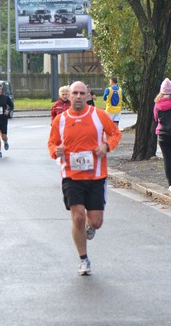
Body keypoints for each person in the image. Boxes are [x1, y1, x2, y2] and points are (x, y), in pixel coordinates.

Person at [47, 81, 122, 276]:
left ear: (88, 95)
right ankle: (83, 259)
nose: (78, 96)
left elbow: (115, 133)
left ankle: (91, 225)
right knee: (78, 216)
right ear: (69, 96)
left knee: (95, 221)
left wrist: (106, 146)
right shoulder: (60, 120)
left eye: (82, 93)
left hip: (96, 176)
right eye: (75, 93)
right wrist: (56, 150)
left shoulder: (99, 115)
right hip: (71, 176)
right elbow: (52, 143)